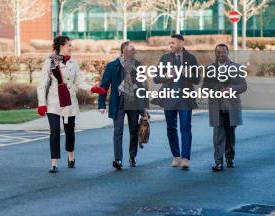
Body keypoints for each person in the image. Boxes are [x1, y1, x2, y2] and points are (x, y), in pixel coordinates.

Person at [36, 35, 93, 173]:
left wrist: (92, 88)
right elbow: (42, 84)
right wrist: (41, 104)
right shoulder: (50, 62)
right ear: (61, 46)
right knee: (54, 131)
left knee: (69, 132)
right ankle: (54, 163)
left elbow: (79, 81)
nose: (70, 47)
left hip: (69, 102)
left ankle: (71, 156)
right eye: (69, 45)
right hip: (54, 102)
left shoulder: (73, 62)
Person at [93, 41, 149, 170]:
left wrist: (144, 108)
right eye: (132, 49)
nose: (134, 51)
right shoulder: (112, 66)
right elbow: (104, 86)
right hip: (118, 103)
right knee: (118, 131)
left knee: (134, 131)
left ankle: (132, 157)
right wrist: (101, 104)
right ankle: (118, 159)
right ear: (124, 50)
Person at [153, 34, 200, 170]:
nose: (170, 45)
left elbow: (197, 79)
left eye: (173, 43)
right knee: (171, 128)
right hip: (169, 98)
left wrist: (189, 74)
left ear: (181, 43)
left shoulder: (191, 58)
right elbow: (156, 78)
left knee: (185, 127)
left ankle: (185, 158)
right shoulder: (165, 58)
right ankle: (176, 156)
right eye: (170, 43)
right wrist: (167, 75)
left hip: (185, 99)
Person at [203, 43, 247, 172]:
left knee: (230, 134)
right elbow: (205, 88)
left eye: (223, 52)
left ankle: (230, 158)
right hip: (216, 107)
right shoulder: (210, 69)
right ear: (215, 53)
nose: (220, 54)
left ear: (228, 53)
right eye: (218, 52)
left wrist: (232, 89)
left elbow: (243, 86)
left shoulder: (237, 68)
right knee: (217, 136)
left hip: (231, 107)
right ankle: (218, 162)